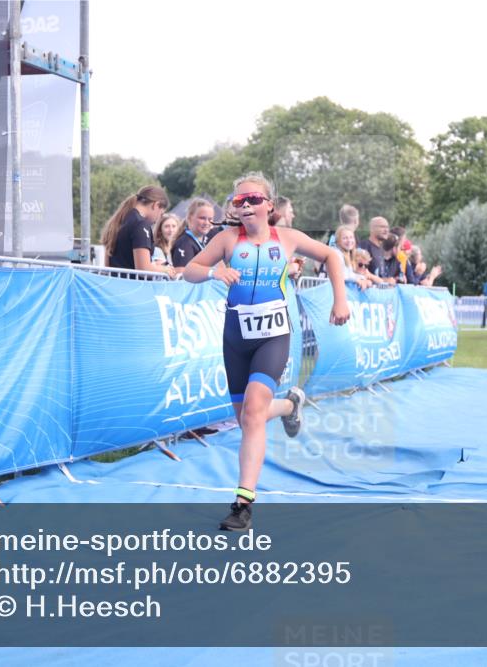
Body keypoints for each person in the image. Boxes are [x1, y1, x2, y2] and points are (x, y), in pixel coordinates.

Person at [183, 172, 350, 531]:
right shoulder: (226, 240)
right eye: (238, 201)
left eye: (253, 199)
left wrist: (341, 299)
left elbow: (332, 256)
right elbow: (190, 270)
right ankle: (290, 405)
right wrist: (215, 274)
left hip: (273, 337)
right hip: (236, 338)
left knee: (254, 415)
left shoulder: (287, 239)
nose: (245, 206)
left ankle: (243, 503)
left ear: (269, 205)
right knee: (248, 417)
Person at [101, 185, 175, 277]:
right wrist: (165, 269)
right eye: (161, 213)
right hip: (133, 286)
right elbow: (143, 269)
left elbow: (108, 264)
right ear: (155, 205)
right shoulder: (141, 224)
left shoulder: (120, 219)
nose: (158, 219)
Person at [170, 198, 215, 269]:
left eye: (210, 219)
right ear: (190, 218)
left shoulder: (203, 241)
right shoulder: (184, 243)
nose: (207, 222)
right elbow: (180, 274)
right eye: (202, 218)